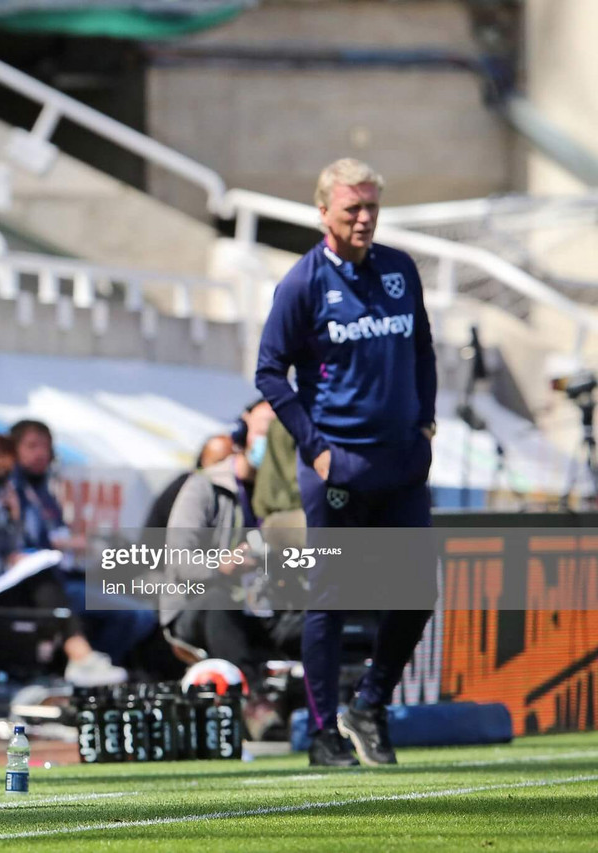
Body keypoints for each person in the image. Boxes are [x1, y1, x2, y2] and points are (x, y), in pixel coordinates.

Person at [255, 158, 437, 768]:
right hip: (339, 467)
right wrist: (315, 446)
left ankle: (371, 705)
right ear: (323, 212)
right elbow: (268, 373)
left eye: (371, 209)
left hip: (403, 462)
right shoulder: (301, 283)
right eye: (351, 209)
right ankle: (324, 734)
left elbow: (423, 347)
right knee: (330, 600)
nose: (363, 219)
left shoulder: (399, 269)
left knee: (417, 591)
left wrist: (426, 419)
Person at [0, 434, 128, 688]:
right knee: (44, 584)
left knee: (46, 581)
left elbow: (9, 547)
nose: (0, 471)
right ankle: (79, 654)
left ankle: (78, 656)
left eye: (6, 465)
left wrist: (14, 517)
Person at [163, 403, 281, 736]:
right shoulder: (203, 487)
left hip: (261, 605)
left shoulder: (288, 496)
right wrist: (222, 565)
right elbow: (181, 562)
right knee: (218, 599)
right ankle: (254, 701)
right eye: (265, 427)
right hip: (196, 605)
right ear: (242, 432)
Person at [10, 419, 162, 672]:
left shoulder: (44, 491)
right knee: (136, 615)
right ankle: (90, 669)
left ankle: (100, 668)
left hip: (67, 578)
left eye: (45, 447)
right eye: (31, 446)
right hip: (41, 588)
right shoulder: (12, 490)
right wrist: (63, 543)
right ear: (13, 449)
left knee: (142, 611)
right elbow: (23, 542)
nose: (40, 454)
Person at [143, 434, 234, 529]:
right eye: (220, 462)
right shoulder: (188, 486)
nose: (225, 467)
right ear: (204, 459)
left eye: (230, 461)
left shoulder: (233, 493)